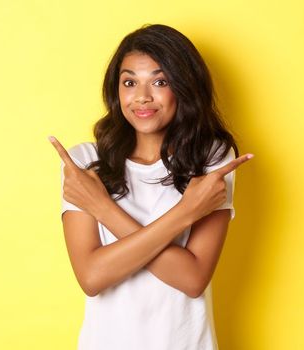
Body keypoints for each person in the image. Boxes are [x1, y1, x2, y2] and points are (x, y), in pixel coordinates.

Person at [48, 24, 253, 350]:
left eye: (160, 82)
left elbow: (192, 279)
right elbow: (91, 277)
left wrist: (101, 207)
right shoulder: (85, 160)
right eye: (130, 82)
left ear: (184, 87)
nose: (142, 96)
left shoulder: (211, 157)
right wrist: (187, 212)